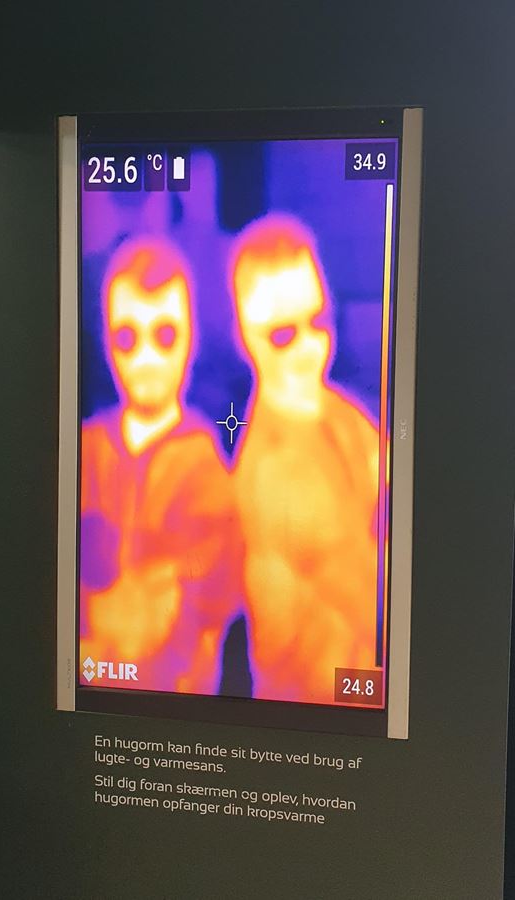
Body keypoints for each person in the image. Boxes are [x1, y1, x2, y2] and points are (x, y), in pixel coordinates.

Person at [79, 236, 241, 695]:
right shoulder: (87, 448)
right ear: (106, 341)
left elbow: (208, 607)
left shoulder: (204, 466)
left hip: (172, 709)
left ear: (191, 339)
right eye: (127, 338)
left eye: (165, 335)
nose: (147, 359)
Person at [229, 213, 380, 705]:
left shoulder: (338, 410)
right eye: (281, 334)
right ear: (245, 338)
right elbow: (379, 613)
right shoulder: (275, 474)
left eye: (318, 321)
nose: (308, 346)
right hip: (322, 722)